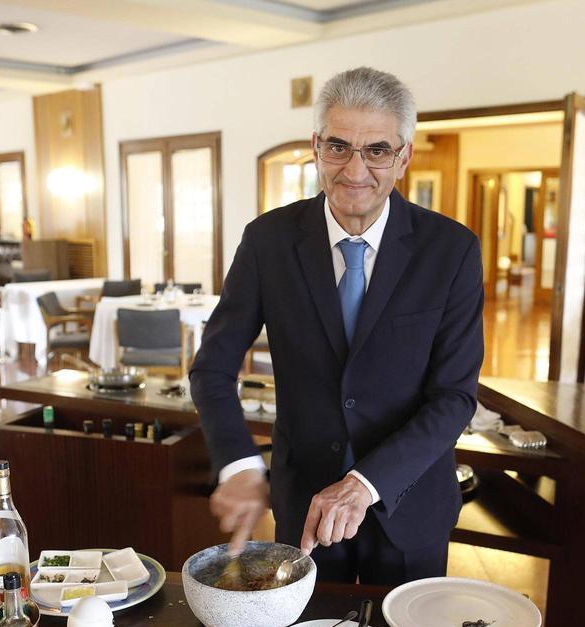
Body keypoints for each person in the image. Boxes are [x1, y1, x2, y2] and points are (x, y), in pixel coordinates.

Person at [190, 67, 484, 585]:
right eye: (339, 147)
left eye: (376, 151)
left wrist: (364, 483)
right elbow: (212, 368)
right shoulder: (268, 242)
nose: (355, 169)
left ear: (403, 156)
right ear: (315, 147)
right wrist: (238, 466)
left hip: (408, 505)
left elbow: (454, 397)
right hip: (301, 503)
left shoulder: (452, 250)